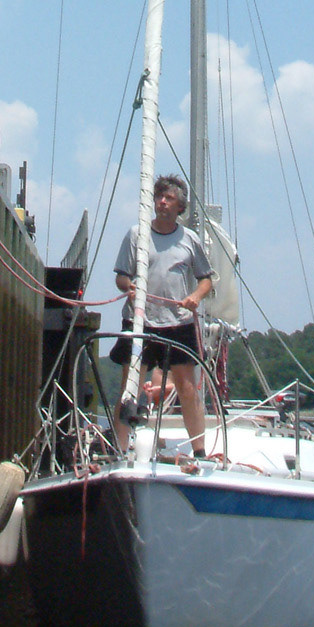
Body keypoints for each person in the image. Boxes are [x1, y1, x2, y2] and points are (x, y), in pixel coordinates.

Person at [113, 174, 214, 458]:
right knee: (130, 386)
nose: (162, 202)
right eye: (159, 197)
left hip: (178, 322)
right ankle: (120, 449)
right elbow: (121, 276)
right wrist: (129, 287)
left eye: (169, 198)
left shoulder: (189, 240)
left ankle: (199, 451)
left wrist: (195, 297)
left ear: (180, 206)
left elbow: (206, 279)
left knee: (187, 387)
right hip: (140, 319)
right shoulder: (136, 234)